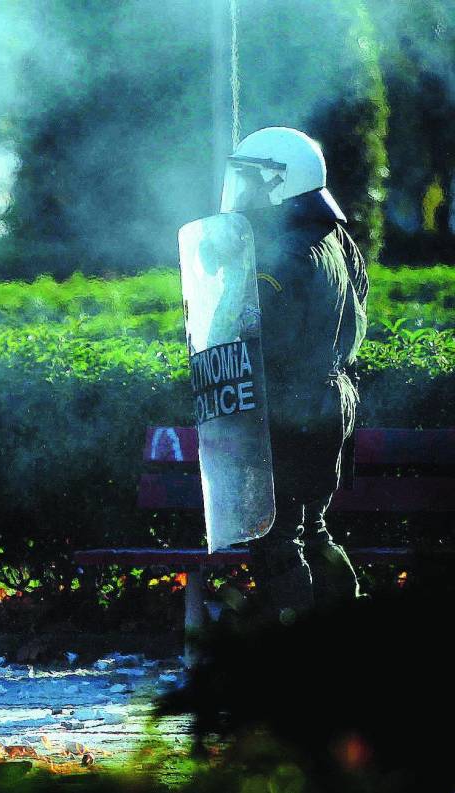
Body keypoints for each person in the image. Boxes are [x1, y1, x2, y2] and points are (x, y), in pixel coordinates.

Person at [219, 126, 370, 619]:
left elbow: (265, 339)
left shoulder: (280, 255)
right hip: (331, 401)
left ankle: (297, 657)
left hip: (290, 406)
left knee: (276, 538)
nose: (242, 191)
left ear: (281, 183)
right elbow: (355, 322)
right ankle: (345, 632)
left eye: (251, 179)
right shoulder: (338, 239)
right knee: (314, 527)